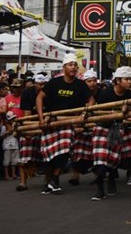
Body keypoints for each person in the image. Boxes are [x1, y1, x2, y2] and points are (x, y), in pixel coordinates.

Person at [36, 54, 94, 195]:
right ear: (64, 67)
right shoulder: (55, 82)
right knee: (50, 154)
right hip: (52, 122)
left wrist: (83, 115)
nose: (73, 67)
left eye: (75, 64)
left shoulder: (80, 85)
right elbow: (39, 97)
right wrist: (41, 118)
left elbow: (91, 100)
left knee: (63, 152)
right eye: (70, 65)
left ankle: (54, 179)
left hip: (69, 123)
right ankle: (49, 181)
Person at [90, 66, 131, 201]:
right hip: (102, 128)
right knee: (100, 161)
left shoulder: (129, 94)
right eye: (126, 79)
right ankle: (100, 190)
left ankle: (111, 180)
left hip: (117, 128)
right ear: (117, 81)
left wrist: (128, 114)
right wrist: (117, 113)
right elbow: (97, 112)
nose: (129, 82)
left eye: (130, 79)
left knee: (112, 160)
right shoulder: (106, 93)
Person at [16, 72, 48, 192]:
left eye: (44, 84)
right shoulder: (27, 93)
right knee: (24, 151)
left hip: (47, 124)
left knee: (48, 156)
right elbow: (27, 114)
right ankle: (23, 182)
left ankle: (48, 180)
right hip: (31, 124)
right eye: (40, 84)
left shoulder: (49, 92)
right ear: (35, 84)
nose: (42, 87)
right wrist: (28, 129)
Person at [1, 111, 19, 180]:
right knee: (6, 161)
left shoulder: (16, 126)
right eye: (11, 119)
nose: (13, 120)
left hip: (15, 144)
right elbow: (1, 136)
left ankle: (13, 174)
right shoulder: (4, 127)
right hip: (7, 145)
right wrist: (7, 133)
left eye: (13, 118)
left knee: (14, 160)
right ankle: (7, 175)